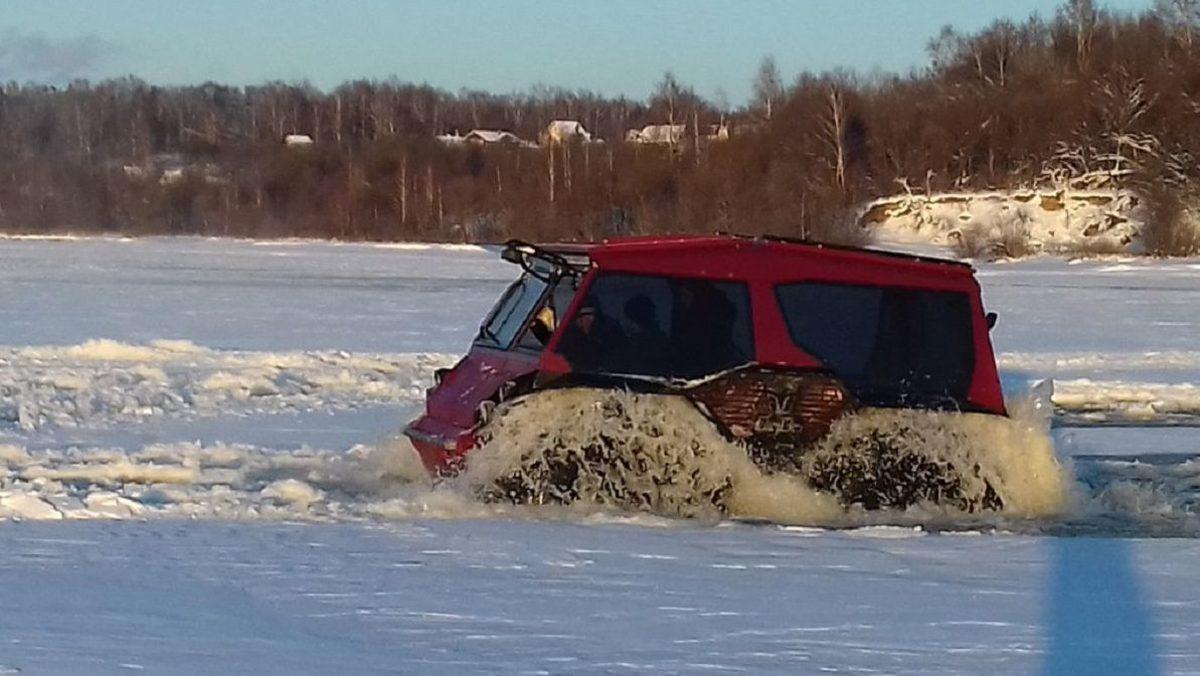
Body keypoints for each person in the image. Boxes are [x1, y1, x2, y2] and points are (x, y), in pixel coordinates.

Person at [620, 294, 669, 375]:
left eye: (625, 317)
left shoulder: (635, 345)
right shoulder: (662, 340)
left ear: (630, 319)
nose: (623, 322)